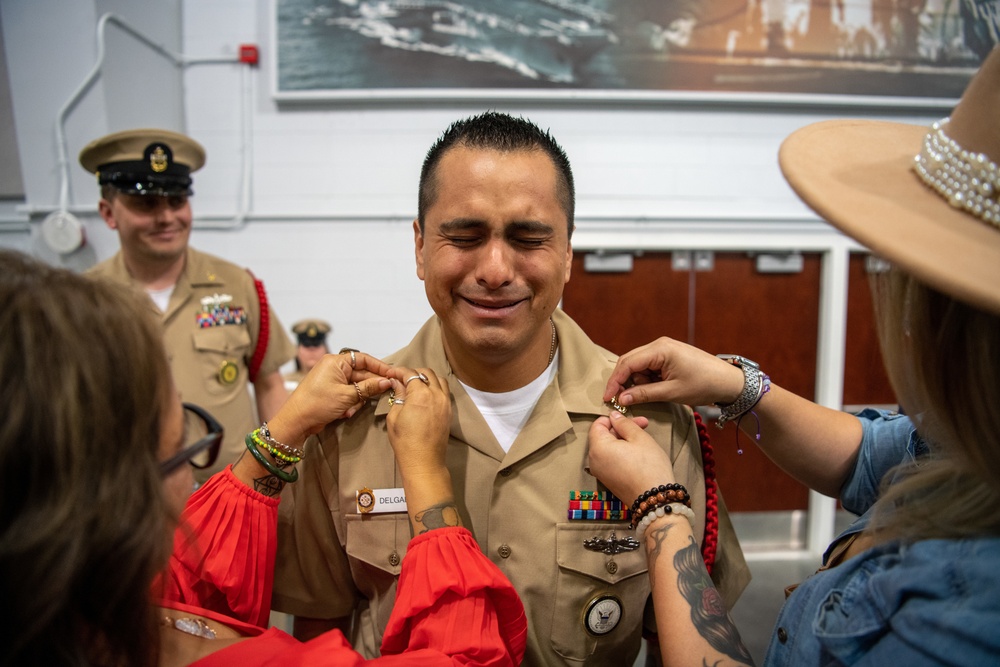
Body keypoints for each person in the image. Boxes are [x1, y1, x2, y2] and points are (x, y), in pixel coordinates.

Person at [272, 111, 750, 665]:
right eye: (465, 236)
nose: (496, 269)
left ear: (568, 253)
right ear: (421, 245)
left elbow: (685, 640)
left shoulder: (656, 422)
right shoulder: (347, 425)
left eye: (528, 238)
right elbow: (318, 635)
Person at [588, 45, 1000, 666]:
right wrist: (734, 385)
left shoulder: (958, 620)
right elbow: (872, 456)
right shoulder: (976, 446)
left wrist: (660, 512)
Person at [0, 248, 527, 666]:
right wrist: (427, 479)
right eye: (185, 446)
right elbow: (464, 659)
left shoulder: (74, 607)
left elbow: (198, 575)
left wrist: (286, 428)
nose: (496, 270)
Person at [81, 128, 296, 482]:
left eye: (176, 201)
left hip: (230, 497)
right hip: (129, 505)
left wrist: (280, 477)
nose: (166, 217)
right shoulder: (83, 301)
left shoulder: (237, 285)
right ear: (108, 213)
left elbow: (269, 384)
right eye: (146, 204)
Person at [284, 318, 332, 387]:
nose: (311, 349)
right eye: (306, 345)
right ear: (296, 350)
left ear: (326, 350)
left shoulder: (337, 382)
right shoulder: (283, 383)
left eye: (316, 345)